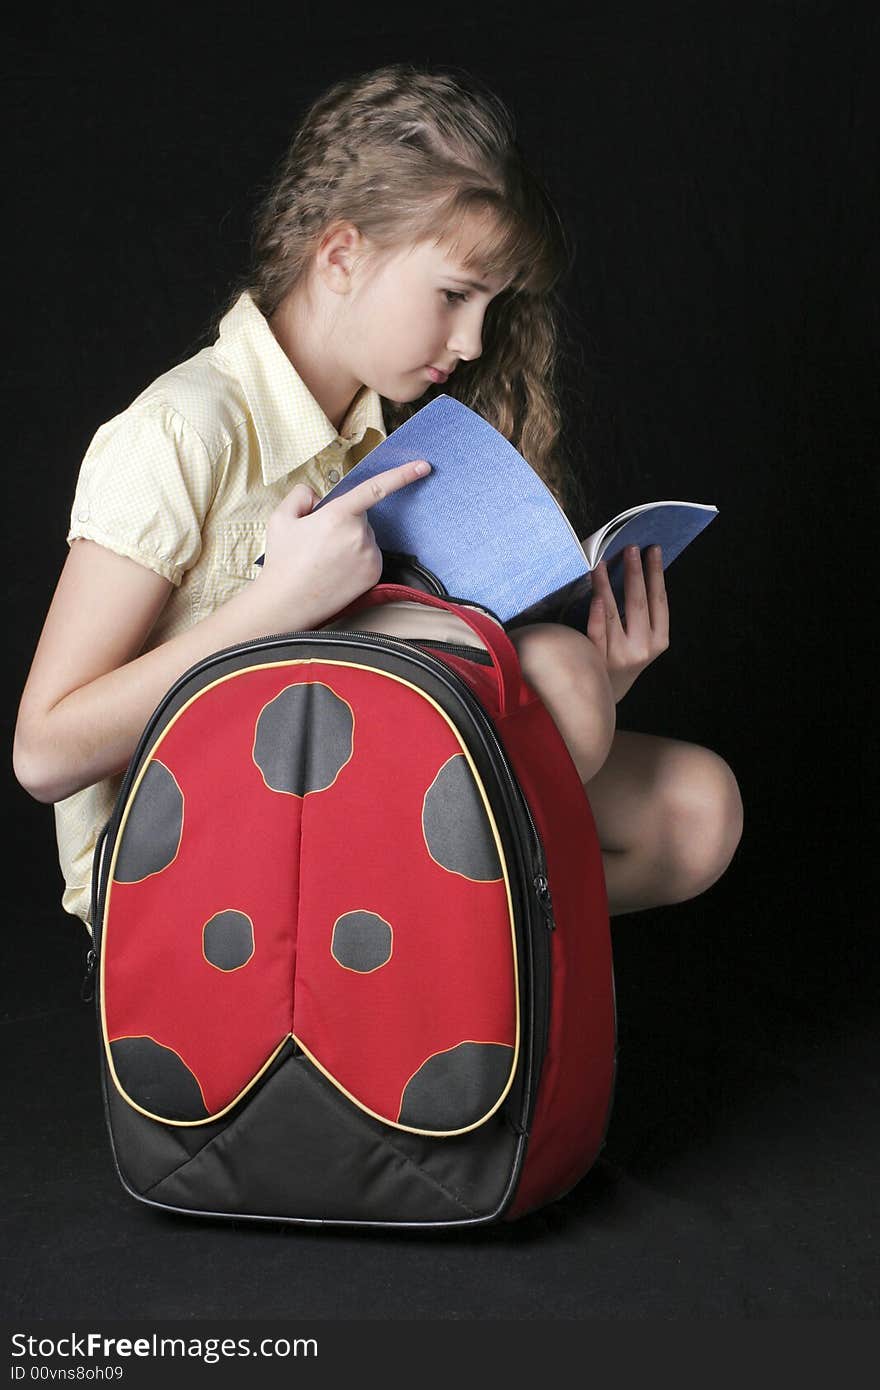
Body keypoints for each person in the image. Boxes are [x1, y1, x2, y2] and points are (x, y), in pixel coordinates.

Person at [13, 63, 742, 937]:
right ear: (342, 254)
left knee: (695, 809)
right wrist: (277, 607)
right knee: (559, 681)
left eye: (489, 306)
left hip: (344, 808)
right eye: (453, 296)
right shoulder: (183, 430)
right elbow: (43, 753)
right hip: (192, 879)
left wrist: (600, 681)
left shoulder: (384, 447)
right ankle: (400, 955)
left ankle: (422, 950)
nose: (471, 342)